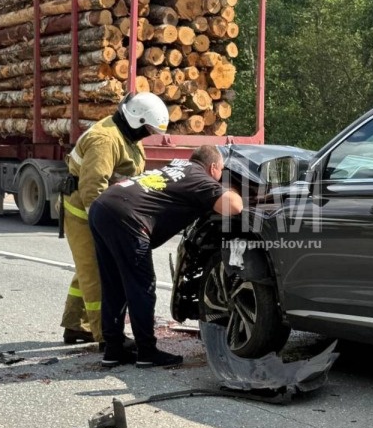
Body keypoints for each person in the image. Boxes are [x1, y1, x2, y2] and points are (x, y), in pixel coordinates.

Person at [89, 145, 244, 367]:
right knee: (141, 286)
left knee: (114, 284)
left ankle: (113, 350)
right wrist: (233, 189)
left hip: (103, 206)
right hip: (127, 217)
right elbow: (235, 206)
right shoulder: (199, 178)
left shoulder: (178, 166)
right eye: (221, 170)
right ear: (213, 167)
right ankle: (147, 352)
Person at [59, 92, 168, 351]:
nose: (148, 135)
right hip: (85, 211)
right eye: (147, 129)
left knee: (87, 268)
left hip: (103, 209)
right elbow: (92, 187)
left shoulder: (125, 136)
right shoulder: (105, 140)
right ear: (135, 120)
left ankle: (76, 325)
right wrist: (103, 228)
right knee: (97, 272)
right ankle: (106, 334)